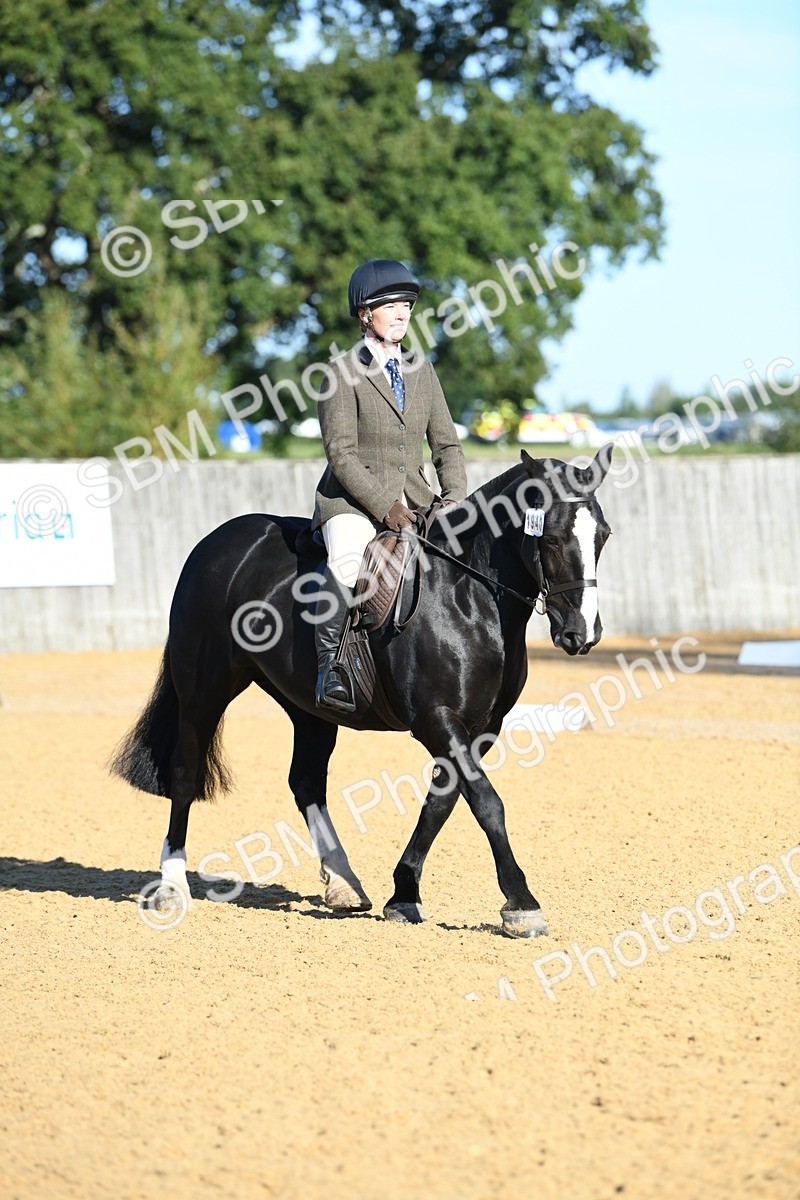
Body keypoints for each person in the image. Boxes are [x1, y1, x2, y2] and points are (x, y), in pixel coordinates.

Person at [311, 258, 468, 711]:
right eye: (392, 306)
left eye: (407, 306)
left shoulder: (422, 370)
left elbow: (447, 446)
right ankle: (331, 669)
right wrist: (385, 508)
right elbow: (341, 455)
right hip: (353, 504)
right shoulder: (340, 373)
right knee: (345, 562)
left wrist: (454, 499)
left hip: (419, 501)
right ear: (365, 314)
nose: (403, 314)